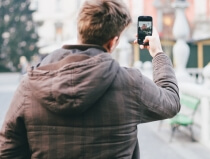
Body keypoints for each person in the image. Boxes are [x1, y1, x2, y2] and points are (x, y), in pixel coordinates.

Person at [0, 0, 180, 158]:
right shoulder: (131, 83)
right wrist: (157, 53)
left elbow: (7, 150)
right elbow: (171, 103)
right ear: (112, 42)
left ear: (80, 29)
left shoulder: (30, 84)